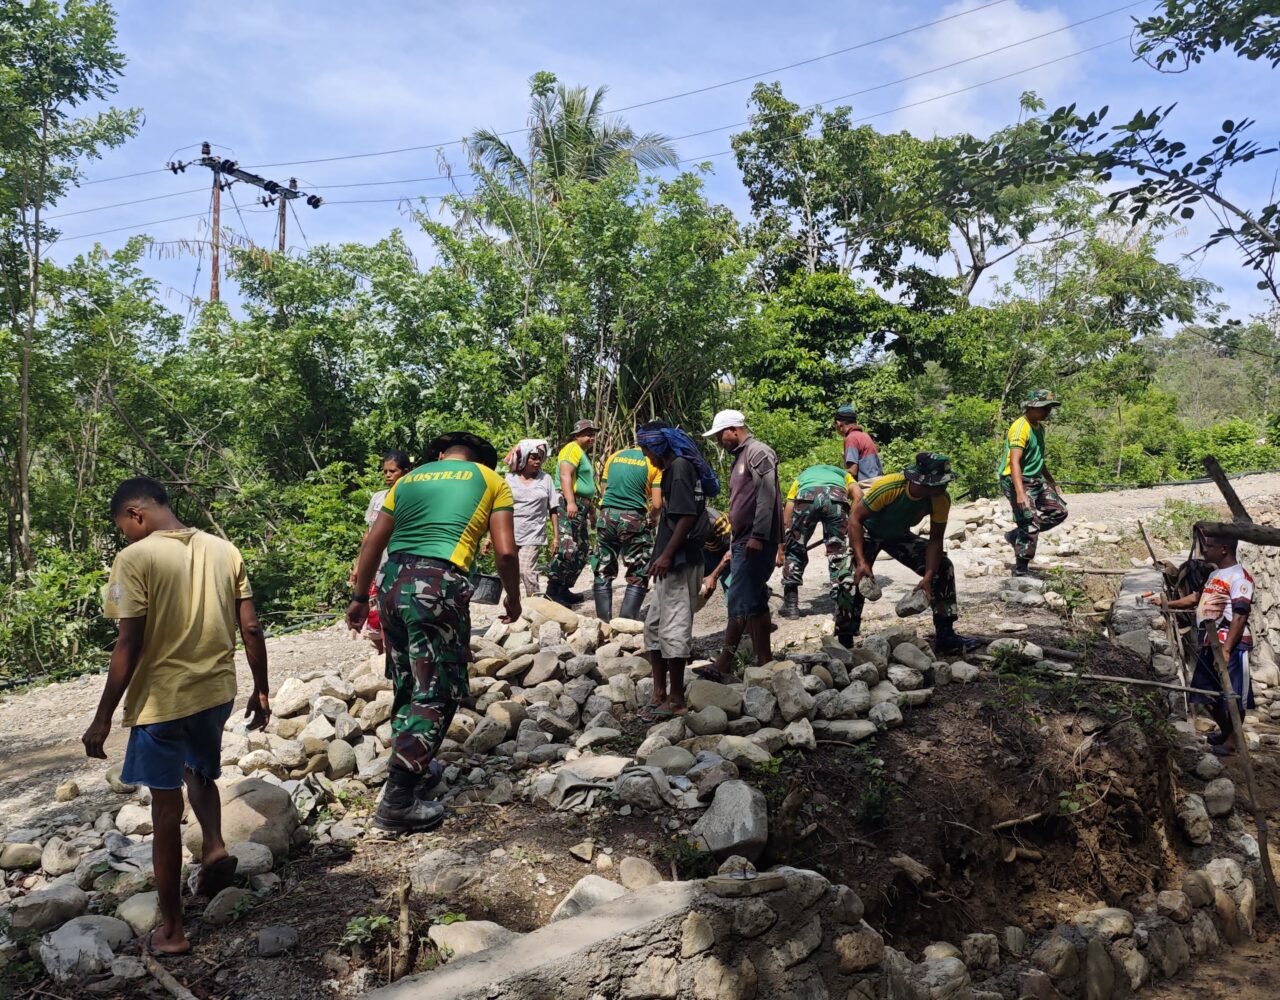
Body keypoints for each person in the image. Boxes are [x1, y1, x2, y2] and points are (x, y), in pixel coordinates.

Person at [82, 478, 269, 956]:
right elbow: (249, 624)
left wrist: (102, 717)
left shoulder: (135, 559)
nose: (125, 535)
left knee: (164, 813)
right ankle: (214, 847)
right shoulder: (224, 550)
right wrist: (262, 688)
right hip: (215, 692)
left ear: (136, 513)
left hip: (162, 702)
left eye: (123, 526)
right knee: (200, 770)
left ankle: (173, 931)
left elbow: (129, 641)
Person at [347, 432, 521, 833]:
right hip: (437, 584)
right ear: (480, 460)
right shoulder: (492, 480)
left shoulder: (410, 479)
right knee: (437, 690)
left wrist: (360, 597)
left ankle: (416, 770)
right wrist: (512, 596)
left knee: (407, 681)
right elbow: (506, 551)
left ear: (441, 455)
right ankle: (399, 800)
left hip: (391, 584)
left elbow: (374, 540)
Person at [848, 453, 980, 655]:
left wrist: (928, 577)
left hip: (898, 534)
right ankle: (845, 638)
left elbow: (936, 539)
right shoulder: (890, 486)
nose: (944, 487)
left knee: (943, 567)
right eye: (939, 483)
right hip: (867, 531)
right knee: (854, 577)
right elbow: (855, 519)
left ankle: (946, 635)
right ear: (922, 481)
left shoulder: (940, 499)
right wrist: (861, 561)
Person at [1152, 533, 1256, 756]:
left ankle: (1231, 741)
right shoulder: (1215, 574)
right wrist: (1167, 603)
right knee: (1203, 692)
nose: (1205, 551)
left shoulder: (1240, 578)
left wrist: (1227, 648)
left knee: (1234, 695)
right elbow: (1196, 598)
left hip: (1232, 645)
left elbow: (1240, 615)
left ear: (1224, 549)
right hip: (1211, 643)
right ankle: (1231, 734)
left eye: (1210, 546)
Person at [698, 409, 781, 682]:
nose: (720, 440)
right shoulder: (740, 457)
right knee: (755, 599)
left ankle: (724, 663)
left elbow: (767, 496)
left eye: (721, 434)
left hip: (755, 539)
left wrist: (758, 535)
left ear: (734, 429)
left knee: (739, 598)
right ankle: (764, 659)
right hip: (743, 537)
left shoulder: (758, 452)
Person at [637, 421, 710, 719]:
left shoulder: (679, 468)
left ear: (656, 446)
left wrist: (667, 554)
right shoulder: (673, 469)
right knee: (653, 627)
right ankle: (659, 693)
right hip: (669, 560)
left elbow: (686, 517)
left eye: (645, 449)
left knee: (675, 629)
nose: (645, 456)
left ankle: (676, 698)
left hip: (680, 560)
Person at [778, 464, 862, 645]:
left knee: (795, 549)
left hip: (806, 497)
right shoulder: (844, 475)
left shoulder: (802, 476)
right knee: (837, 553)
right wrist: (852, 520)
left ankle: (791, 606)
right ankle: (841, 607)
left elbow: (789, 507)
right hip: (836, 499)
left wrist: (786, 539)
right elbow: (858, 495)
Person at [999, 389, 1068, 577]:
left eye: (1049, 408)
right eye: (1044, 408)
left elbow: (1038, 457)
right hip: (1016, 480)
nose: (1048, 412)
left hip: (1035, 478)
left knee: (1059, 511)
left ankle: (1016, 536)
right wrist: (1020, 493)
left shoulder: (1039, 427)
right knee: (1028, 522)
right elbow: (1014, 462)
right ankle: (1021, 569)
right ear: (1031, 407)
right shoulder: (1020, 428)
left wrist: (1050, 480)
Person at [591, 439, 661, 621]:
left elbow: (605, 491)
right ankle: (626, 623)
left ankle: (603, 622)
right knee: (638, 569)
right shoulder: (653, 461)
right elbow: (658, 503)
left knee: (602, 567)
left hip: (606, 516)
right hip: (633, 518)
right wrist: (653, 518)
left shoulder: (614, 457)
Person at [351, 450, 413, 653]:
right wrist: (359, 564)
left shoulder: (413, 497)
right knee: (374, 610)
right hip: (377, 562)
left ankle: (397, 651)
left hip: (402, 562)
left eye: (392, 471)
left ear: (406, 472)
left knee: (397, 608)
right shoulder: (378, 498)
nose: (387, 475)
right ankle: (383, 654)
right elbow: (368, 535)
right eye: (385, 471)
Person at [546, 418, 599, 607]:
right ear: (576, 435)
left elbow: (584, 484)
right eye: (587, 434)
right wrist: (570, 502)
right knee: (567, 547)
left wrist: (591, 510)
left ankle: (564, 588)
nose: (591, 437)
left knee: (582, 549)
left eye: (593, 434)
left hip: (581, 505)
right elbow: (565, 474)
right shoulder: (571, 449)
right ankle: (552, 591)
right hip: (569, 502)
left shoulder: (582, 453)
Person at [496, 439, 558, 597]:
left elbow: (553, 508)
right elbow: (500, 509)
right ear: (524, 457)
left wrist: (556, 537)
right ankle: (514, 606)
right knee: (511, 573)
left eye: (540, 458)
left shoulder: (546, 480)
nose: (537, 461)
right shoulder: (509, 479)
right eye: (533, 457)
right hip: (510, 532)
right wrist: (491, 537)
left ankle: (537, 604)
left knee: (526, 571)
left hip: (533, 533)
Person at [835, 404, 883, 481]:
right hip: (878, 482)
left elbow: (852, 472)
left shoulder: (851, 438)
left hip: (866, 485)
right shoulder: (865, 435)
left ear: (839, 424)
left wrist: (834, 473)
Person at [698, 506, 733, 605]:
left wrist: (714, 576)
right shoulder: (686, 520)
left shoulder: (716, 521)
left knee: (733, 593)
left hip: (727, 552)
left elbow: (732, 551)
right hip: (707, 551)